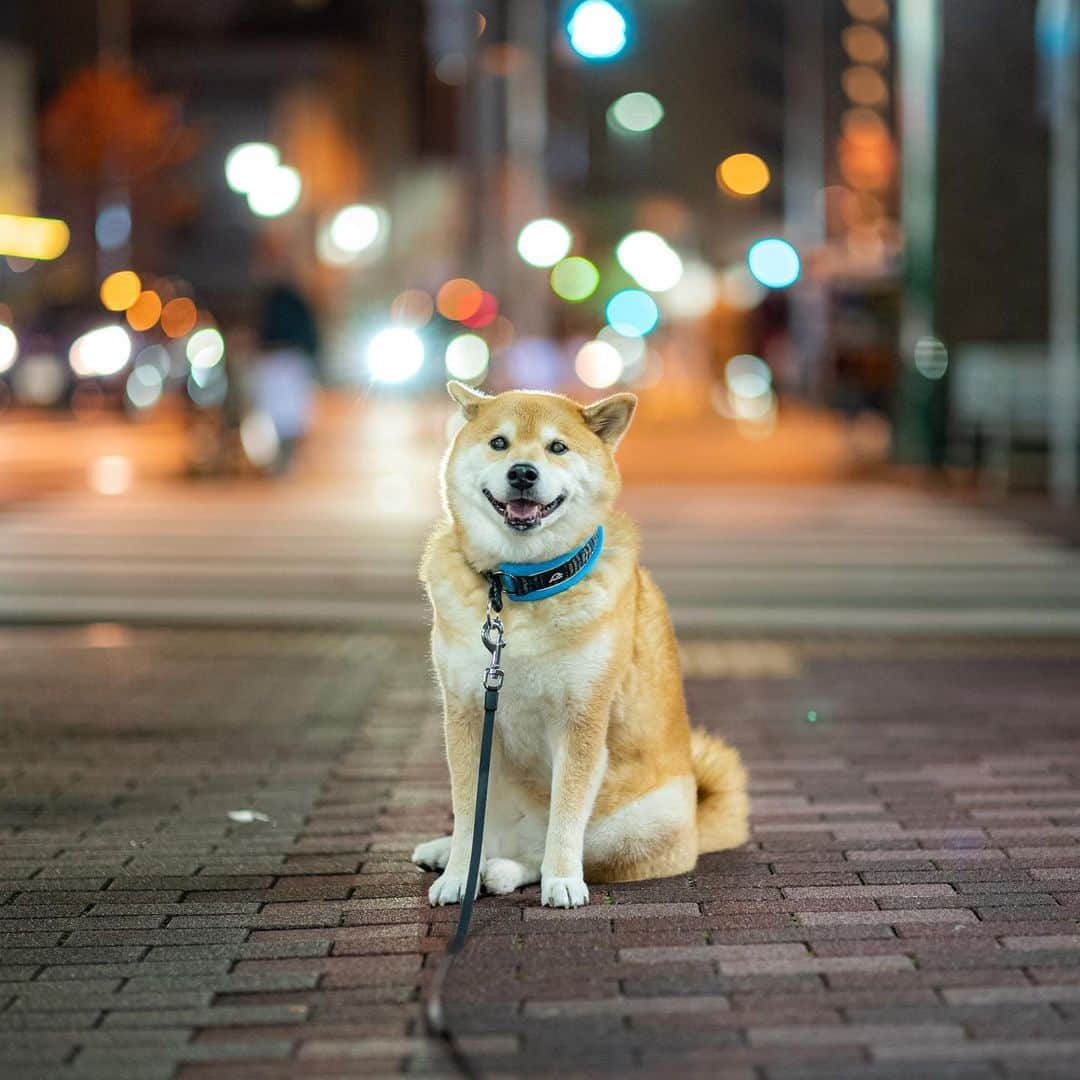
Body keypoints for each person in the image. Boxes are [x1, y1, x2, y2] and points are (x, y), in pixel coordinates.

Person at [249, 283, 319, 473]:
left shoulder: (268, 301)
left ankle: (279, 459)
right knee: (286, 415)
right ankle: (281, 459)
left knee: (279, 414)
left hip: (274, 359)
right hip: (288, 359)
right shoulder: (294, 302)